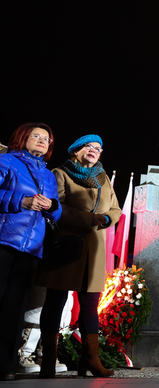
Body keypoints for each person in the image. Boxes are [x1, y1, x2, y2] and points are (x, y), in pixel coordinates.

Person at [36, 135, 121, 378]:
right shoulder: (59, 173)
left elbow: (114, 208)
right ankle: (48, 361)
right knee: (55, 301)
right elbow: (56, 206)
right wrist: (88, 218)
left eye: (99, 148)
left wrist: (107, 218)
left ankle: (91, 359)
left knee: (90, 305)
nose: (95, 151)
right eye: (89, 146)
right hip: (66, 245)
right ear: (76, 150)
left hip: (94, 248)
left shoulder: (103, 178)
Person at [0, 122, 62, 381]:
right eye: (36, 136)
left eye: (46, 139)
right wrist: (21, 201)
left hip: (32, 249)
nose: (42, 141)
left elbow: (56, 211)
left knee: (13, 309)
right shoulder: (6, 162)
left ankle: (4, 365)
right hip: (4, 241)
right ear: (22, 138)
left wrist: (52, 205)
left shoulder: (48, 174)